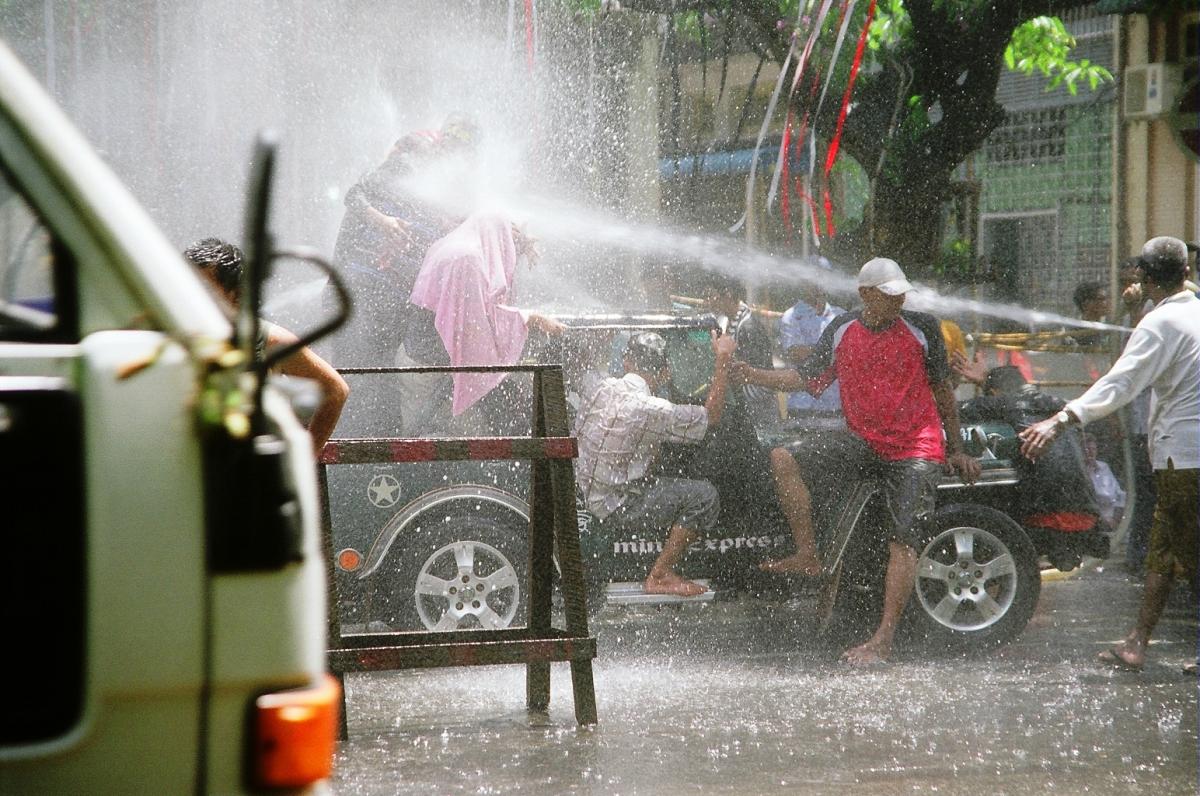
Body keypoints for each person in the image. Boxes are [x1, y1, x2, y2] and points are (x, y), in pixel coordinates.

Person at [733, 257, 981, 666]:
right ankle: (808, 554)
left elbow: (942, 392)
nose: (898, 301)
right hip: (863, 442)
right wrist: (752, 375)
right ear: (865, 294)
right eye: (889, 295)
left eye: (901, 294)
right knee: (782, 456)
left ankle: (883, 639)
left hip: (914, 448)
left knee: (903, 539)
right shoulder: (842, 328)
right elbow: (804, 378)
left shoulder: (923, 328)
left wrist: (955, 448)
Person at [1020, 236, 1199, 672]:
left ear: (1145, 277)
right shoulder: (1191, 313)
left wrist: (1061, 419)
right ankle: (1137, 642)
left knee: (1191, 554)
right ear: (1186, 272)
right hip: (1181, 456)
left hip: (1184, 458)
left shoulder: (1162, 323)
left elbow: (1120, 382)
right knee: (1163, 552)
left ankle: (1139, 642)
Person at [328, 114, 478, 434]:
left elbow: (460, 222)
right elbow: (354, 195)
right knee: (359, 379)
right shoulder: (410, 159)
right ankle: (349, 449)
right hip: (361, 287)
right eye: (454, 148)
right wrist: (383, 222)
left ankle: (385, 447)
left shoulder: (444, 187)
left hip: (395, 296)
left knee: (382, 380)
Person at [575, 331, 737, 597]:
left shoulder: (597, 386)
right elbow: (712, 417)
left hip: (583, 491)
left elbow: (581, 363)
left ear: (626, 362)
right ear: (664, 373)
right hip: (615, 504)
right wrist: (723, 359)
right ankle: (660, 575)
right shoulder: (653, 409)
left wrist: (601, 336)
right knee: (705, 496)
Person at [186, 238, 350, 456]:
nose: (191, 298)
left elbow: (334, 391)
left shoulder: (267, 339)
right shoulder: (168, 333)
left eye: (204, 289)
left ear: (237, 295)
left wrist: (304, 457)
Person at [407, 212, 564, 433]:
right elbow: (477, 322)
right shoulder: (468, 259)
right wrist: (531, 318)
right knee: (503, 409)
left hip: (421, 351)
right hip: (437, 358)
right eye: (509, 243)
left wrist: (519, 245)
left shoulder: (452, 245)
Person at [958, 366, 1100, 538]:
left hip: (1044, 514)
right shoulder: (1063, 405)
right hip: (1086, 511)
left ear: (994, 393)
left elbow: (950, 410)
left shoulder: (1002, 403)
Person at [701, 272, 777, 426]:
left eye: (711, 295)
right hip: (742, 411)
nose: (707, 301)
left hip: (757, 415)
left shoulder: (749, 327)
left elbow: (764, 383)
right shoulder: (724, 321)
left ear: (728, 294)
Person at [776, 256, 844, 418]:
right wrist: (836, 350)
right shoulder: (791, 317)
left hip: (836, 406)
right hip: (802, 406)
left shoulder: (841, 315)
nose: (817, 283)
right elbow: (796, 353)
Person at [1084, 433, 1126, 531]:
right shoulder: (1080, 471)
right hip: (1094, 522)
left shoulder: (1104, 466)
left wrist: (1116, 519)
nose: (1091, 452)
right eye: (1088, 449)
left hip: (1112, 519)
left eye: (1093, 449)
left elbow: (1119, 494)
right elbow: (1092, 499)